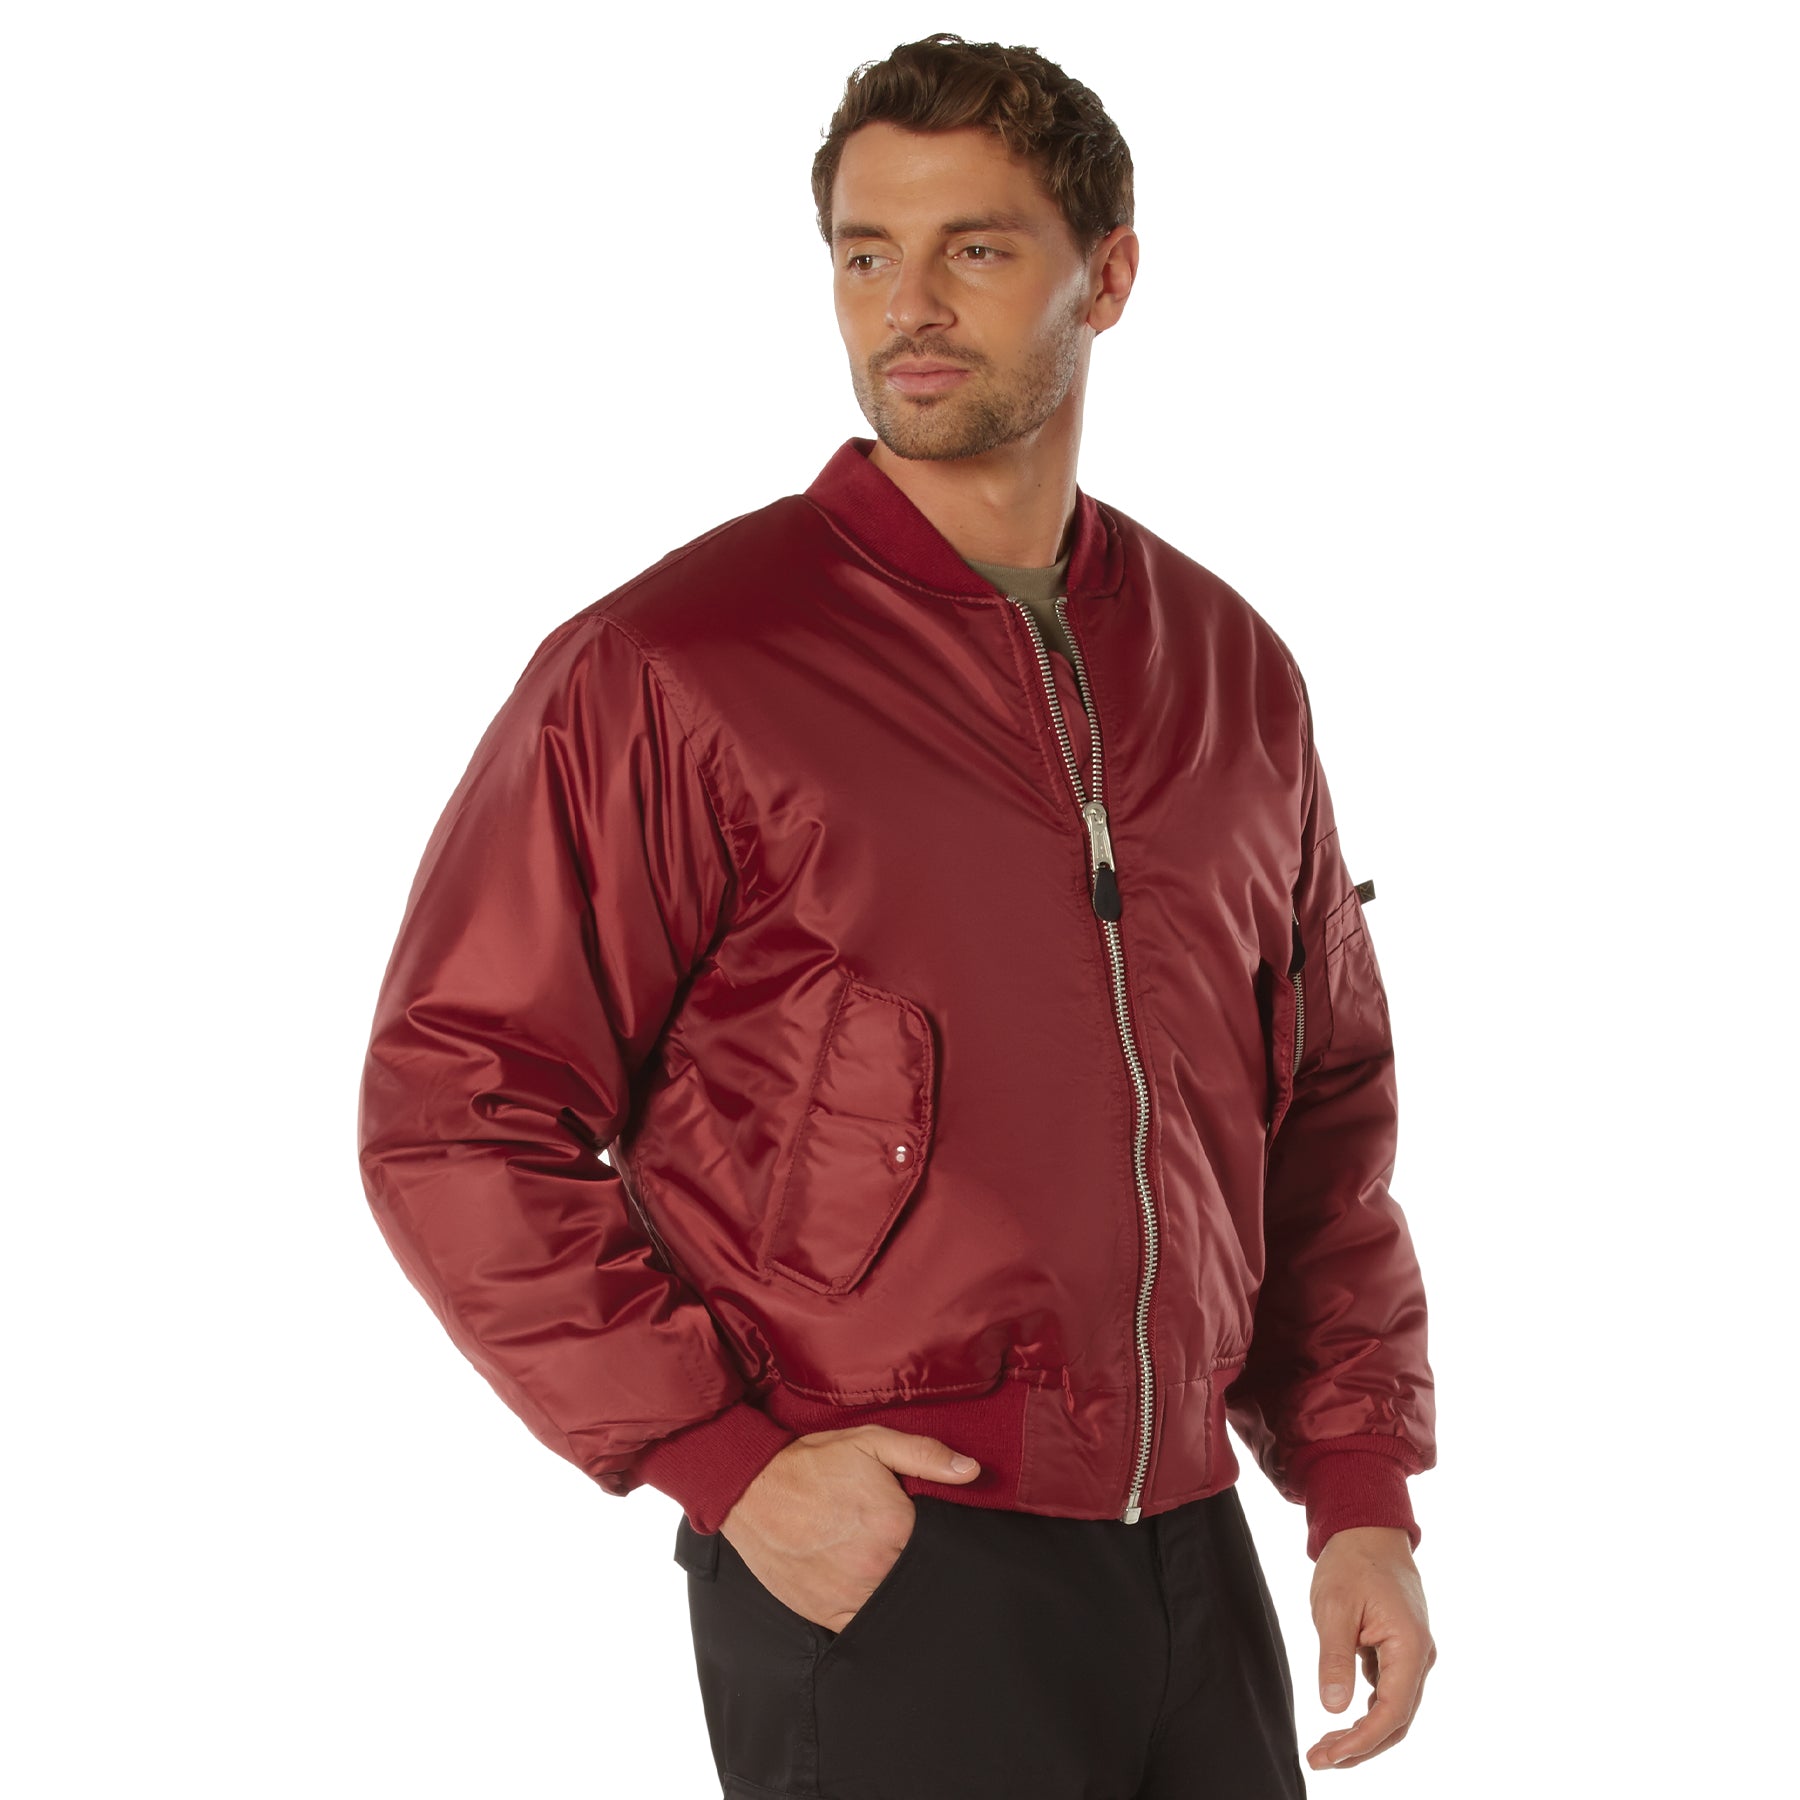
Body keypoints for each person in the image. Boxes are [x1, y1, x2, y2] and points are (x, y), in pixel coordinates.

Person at [356, 31, 1436, 1799]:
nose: (908, 307)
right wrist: (722, 1461)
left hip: (1192, 1547)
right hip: (885, 1555)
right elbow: (455, 1107)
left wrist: (1359, 1491)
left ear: (1111, 276)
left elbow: (1319, 1114)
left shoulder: (1231, 668)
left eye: (975, 249)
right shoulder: (682, 665)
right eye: (866, 255)